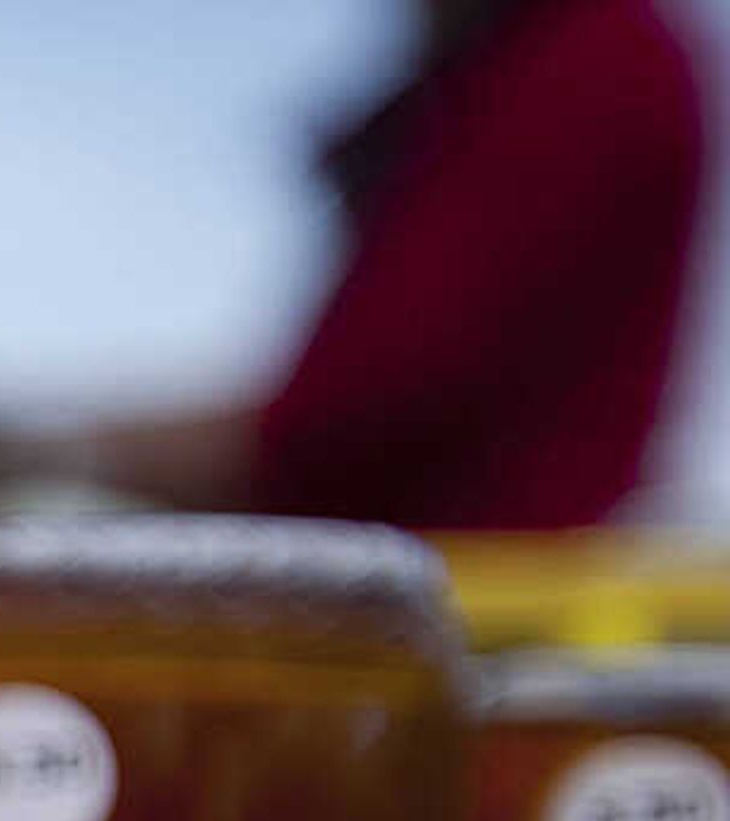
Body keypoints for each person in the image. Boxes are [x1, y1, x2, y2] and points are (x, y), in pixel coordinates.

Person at [77, 0, 708, 526]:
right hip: (464, 589)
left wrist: (53, 451)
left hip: (483, 606)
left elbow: (345, 427)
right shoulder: (514, 65)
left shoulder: (587, 59)